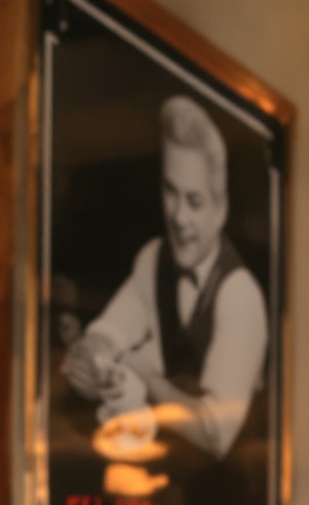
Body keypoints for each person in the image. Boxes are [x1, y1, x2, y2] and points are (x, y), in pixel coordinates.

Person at [63, 94, 268, 469]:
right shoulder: (153, 258)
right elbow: (110, 330)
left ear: (221, 210)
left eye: (194, 201)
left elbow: (214, 434)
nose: (178, 216)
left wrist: (148, 378)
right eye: (170, 192)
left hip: (228, 498)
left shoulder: (242, 297)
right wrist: (93, 358)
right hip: (154, 477)